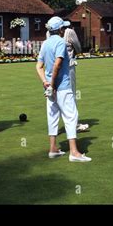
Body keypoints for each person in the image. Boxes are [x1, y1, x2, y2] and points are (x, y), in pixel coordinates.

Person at [36, 16, 91, 162]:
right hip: (62, 86)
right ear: (60, 29)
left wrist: (45, 83)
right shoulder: (61, 42)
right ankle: (74, 152)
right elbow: (57, 64)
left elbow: (38, 66)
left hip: (50, 87)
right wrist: (52, 85)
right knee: (71, 116)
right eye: (63, 28)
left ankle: (53, 149)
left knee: (53, 116)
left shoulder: (45, 43)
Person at [63, 23, 89, 132]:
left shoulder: (48, 32)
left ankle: (54, 130)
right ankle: (74, 124)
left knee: (56, 97)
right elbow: (78, 47)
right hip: (68, 65)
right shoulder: (69, 31)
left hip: (53, 67)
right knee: (71, 94)